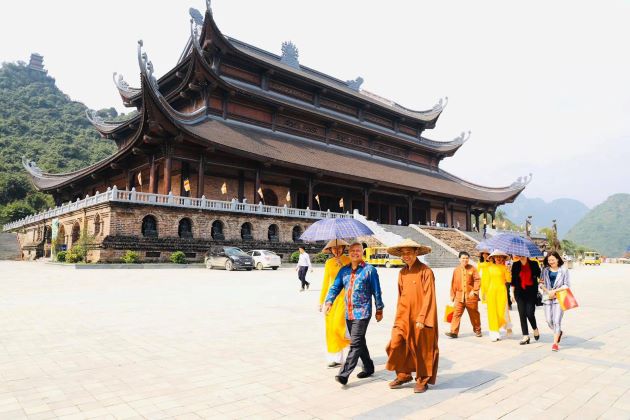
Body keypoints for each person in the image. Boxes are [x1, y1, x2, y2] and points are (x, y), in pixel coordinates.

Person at [324, 242, 384, 385]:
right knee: (360, 341)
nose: (355, 253)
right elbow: (335, 287)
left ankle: (344, 374)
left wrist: (379, 309)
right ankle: (369, 367)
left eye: (358, 251)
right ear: (349, 253)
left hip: (363, 312)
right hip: (349, 312)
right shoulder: (344, 271)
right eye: (352, 251)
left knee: (355, 343)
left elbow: (376, 291)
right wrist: (328, 301)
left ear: (362, 252)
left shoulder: (370, 270)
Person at [385, 239, 438, 394]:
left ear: (416, 252)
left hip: (421, 317)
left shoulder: (426, 271)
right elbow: (401, 296)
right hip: (403, 316)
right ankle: (403, 374)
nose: (406, 256)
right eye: (403, 253)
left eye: (409, 252)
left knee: (422, 349)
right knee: (394, 345)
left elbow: (429, 296)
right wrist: (398, 316)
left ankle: (422, 380)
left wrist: (422, 317)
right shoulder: (402, 272)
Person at [319, 239, 351, 367]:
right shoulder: (329, 262)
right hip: (332, 299)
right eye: (334, 249)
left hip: (345, 297)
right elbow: (326, 282)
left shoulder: (349, 260)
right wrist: (322, 301)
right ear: (330, 250)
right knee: (331, 328)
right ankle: (336, 358)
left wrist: (343, 265)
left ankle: (353, 346)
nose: (336, 250)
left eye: (339, 248)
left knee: (339, 325)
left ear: (343, 248)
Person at [446, 251, 481, 338]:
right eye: (463, 258)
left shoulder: (473, 268)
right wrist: (452, 294)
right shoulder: (456, 270)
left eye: (466, 258)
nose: (465, 260)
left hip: (471, 297)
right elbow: (453, 283)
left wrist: (475, 290)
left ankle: (477, 330)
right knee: (456, 314)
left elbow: (478, 280)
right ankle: (453, 332)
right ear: (459, 259)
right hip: (459, 297)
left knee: (474, 315)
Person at [540, 251, 570, 352]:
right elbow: (540, 283)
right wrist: (548, 291)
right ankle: (559, 332)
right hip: (547, 297)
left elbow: (566, 285)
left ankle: (555, 343)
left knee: (557, 321)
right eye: (549, 260)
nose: (551, 261)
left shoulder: (564, 270)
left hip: (559, 297)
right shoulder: (545, 270)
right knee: (549, 321)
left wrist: (555, 291)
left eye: (552, 259)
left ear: (557, 259)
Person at [481, 250, 512, 341]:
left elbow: (509, 280)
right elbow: (485, 281)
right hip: (491, 292)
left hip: (501, 291)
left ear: (503, 258)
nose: (498, 258)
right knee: (492, 312)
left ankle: (505, 327)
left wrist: (508, 271)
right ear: (493, 258)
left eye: (500, 257)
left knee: (501, 310)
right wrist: (484, 293)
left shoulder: (504, 268)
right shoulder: (489, 267)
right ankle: (494, 332)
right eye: (496, 256)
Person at [511, 255, 541, 345]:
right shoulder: (515, 265)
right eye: (519, 255)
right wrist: (511, 293)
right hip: (519, 293)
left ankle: (535, 328)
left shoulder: (534, 264)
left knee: (530, 313)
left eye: (522, 255)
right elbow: (513, 280)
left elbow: (540, 275)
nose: (521, 256)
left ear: (527, 255)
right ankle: (525, 336)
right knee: (522, 314)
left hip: (531, 292)